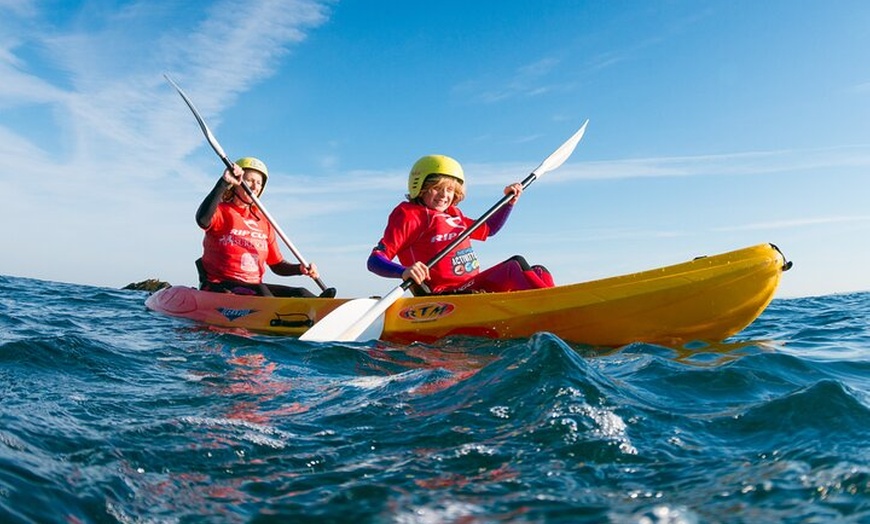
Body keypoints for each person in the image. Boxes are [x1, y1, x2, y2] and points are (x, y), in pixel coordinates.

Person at [367, 154, 555, 295]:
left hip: (472, 287)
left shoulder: (454, 214)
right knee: (515, 265)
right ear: (420, 187)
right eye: (436, 188)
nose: (444, 195)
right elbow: (375, 260)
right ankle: (550, 305)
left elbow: (489, 229)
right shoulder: (409, 216)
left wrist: (509, 202)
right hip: (444, 296)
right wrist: (404, 271)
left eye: (449, 189)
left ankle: (553, 304)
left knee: (539, 271)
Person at [195, 157, 329, 298]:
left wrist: (299, 269)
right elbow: (202, 220)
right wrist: (224, 182)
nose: (254, 186)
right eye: (250, 180)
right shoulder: (222, 211)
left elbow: (277, 265)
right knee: (262, 291)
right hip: (220, 286)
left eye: (259, 183)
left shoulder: (263, 220)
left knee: (300, 292)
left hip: (253, 288)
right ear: (237, 182)